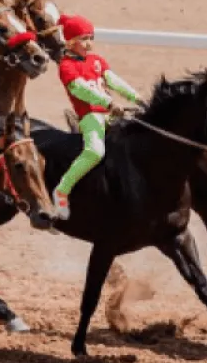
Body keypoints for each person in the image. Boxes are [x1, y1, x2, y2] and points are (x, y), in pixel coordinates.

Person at [51, 15, 142, 220]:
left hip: (108, 114)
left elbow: (115, 81)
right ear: (70, 41)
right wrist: (108, 103)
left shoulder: (97, 61)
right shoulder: (66, 66)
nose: (89, 43)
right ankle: (62, 190)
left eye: (91, 37)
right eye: (83, 38)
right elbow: (81, 90)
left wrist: (136, 97)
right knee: (95, 151)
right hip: (91, 116)